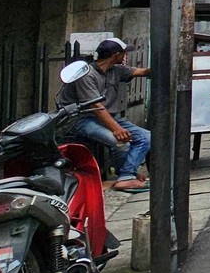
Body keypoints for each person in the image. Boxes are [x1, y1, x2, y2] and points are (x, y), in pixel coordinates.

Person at [57, 37, 154, 193]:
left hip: (107, 116)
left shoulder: (116, 70)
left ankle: (127, 175)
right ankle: (127, 176)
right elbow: (96, 106)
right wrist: (116, 128)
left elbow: (142, 72)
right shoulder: (87, 74)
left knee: (146, 137)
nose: (125, 56)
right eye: (123, 53)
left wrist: (162, 62)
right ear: (116, 55)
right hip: (82, 118)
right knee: (119, 141)